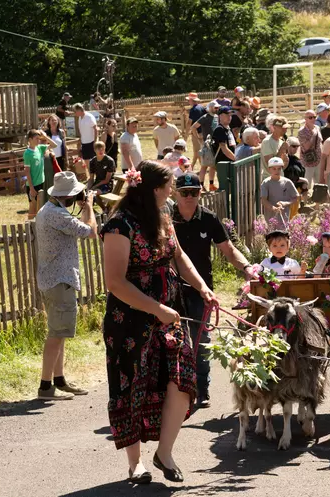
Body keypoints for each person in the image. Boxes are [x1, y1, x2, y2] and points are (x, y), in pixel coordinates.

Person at [101, 161, 216, 484]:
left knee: (181, 379)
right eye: (169, 186)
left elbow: (179, 256)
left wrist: (202, 287)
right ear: (154, 189)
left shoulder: (165, 217)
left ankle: (164, 453)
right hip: (130, 319)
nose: (173, 192)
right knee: (132, 386)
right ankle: (135, 463)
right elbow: (115, 282)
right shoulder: (119, 225)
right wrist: (156, 309)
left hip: (170, 311)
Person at [171, 172, 256, 408]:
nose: (189, 197)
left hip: (202, 290)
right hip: (170, 288)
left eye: (194, 192)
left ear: (200, 193)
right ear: (175, 193)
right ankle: (176, 389)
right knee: (174, 341)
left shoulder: (208, 218)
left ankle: (201, 389)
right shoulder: (166, 219)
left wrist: (247, 268)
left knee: (202, 340)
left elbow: (228, 249)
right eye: (184, 192)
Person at [36, 171, 97, 401]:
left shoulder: (47, 210)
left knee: (59, 332)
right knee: (55, 334)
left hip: (52, 279)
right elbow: (91, 232)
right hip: (59, 280)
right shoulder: (58, 215)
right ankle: (45, 387)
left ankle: (59, 380)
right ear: (69, 197)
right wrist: (88, 206)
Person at [24, 129, 59, 219]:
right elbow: (27, 172)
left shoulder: (40, 148)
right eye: (36, 138)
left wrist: (45, 137)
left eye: (39, 138)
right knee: (33, 207)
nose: (38, 140)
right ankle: (30, 227)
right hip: (33, 184)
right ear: (30, 139)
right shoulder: (27, 153)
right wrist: (31, 188)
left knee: (40, 207)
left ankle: (38, 226)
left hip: (41, 182)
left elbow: (54, 145)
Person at [207, 106, 237, 190]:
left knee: (231, 188)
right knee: (225, 189)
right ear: (220, 116)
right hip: (223, 164)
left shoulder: (227, 129)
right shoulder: (220, 129)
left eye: (230, 115)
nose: (229, 117)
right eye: (227, 115)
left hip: (229, 162)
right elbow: (224, 148)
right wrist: (236, 159)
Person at [261, 157, 298, 223]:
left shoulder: (287, 182)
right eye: (274, 169)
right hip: (270, 219)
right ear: (269, 169)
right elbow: (263, 200)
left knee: (284, 232)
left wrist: (286, 203)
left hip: (284, 218)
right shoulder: (266, 183)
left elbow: (296, 198)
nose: (277, 171)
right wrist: (273, 208)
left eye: (279, 169)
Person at [298, 109, 323, 188]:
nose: (313, 119)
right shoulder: (301, 131)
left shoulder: (317, 128)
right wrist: (313, 134)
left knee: (319, 184)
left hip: (318, 160)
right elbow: (307, 146)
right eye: (310, 117)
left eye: (314, 117)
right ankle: (305, 199)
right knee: (306, 184)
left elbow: (320, 143)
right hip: (308, 161)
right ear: (305, 119)